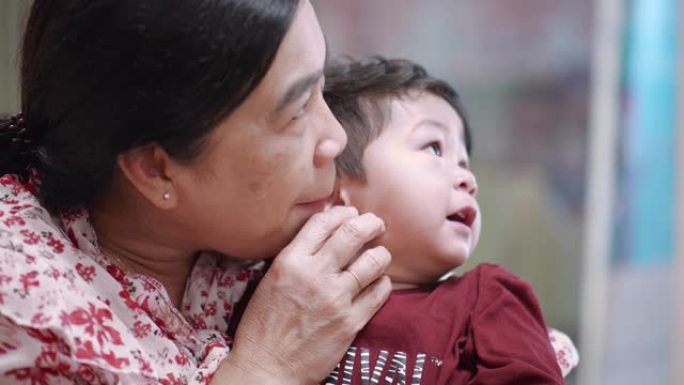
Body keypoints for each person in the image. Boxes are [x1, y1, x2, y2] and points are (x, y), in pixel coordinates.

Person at [0, 1, 394, 384]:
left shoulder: (247, 230)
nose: (337, 139)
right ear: (156, 171)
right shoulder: (26, 318)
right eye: (296, 111)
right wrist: (269, 368)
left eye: (321, 91)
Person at [317, 57, 579, 384]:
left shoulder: (489, 301)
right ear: (334, 187)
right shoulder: (285, 297)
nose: (468, 179)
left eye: (465, 163)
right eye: (434, 148)